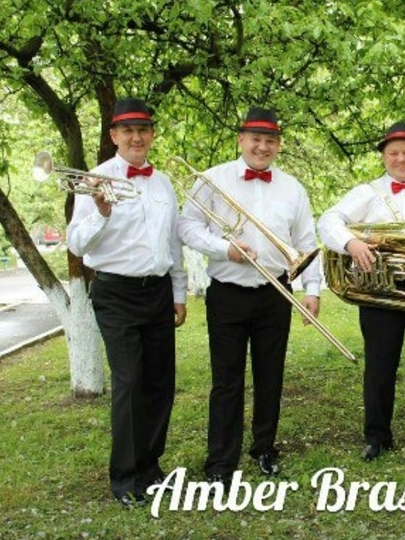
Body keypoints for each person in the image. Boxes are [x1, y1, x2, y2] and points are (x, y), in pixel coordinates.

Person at [178, 106, 321, 481]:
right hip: (227, 293)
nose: (262, 147)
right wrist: (223, 248)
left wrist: (312, 289)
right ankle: (221, 462)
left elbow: (306, 242)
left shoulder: (293, 188)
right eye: (256, 139)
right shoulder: (212, 179)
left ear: (278, 145)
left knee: (270, 376)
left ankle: (264, 448)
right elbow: (187, 227)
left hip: (276, 292)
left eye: (270, 140)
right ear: (241, 139)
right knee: (226, 381)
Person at [66, 98, 188, 508]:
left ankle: (151, 468)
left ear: (151, 134)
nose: (137, 137)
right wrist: (101, 212)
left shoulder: (164, 183)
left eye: (143, 130)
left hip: (157, 291)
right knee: (130, 382)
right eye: (128, 130)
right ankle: (125, 477)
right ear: (114, 135)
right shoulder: (94, 180)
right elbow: (76, 244)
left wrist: (179, 292)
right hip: (116, 292)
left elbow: (172, 243)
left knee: (159, 383)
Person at [317, 122, 405, 461]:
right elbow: (328, 220)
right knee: (379, 367)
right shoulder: (367, 192)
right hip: (380, 292)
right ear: (383, 157)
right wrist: (351, 243)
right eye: (394, 153)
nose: (401, 159)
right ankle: (377, 438)